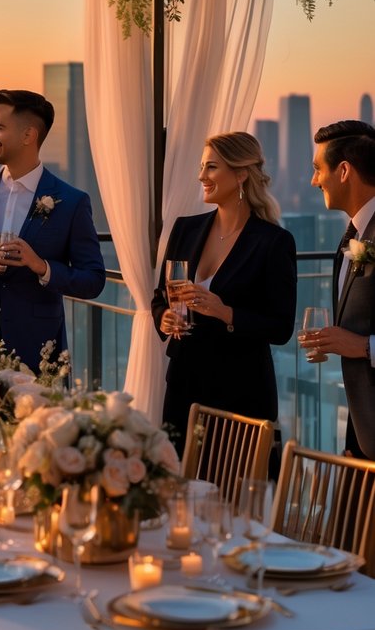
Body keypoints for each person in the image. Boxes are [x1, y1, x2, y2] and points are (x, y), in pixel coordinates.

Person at [0, 88, 106, 370]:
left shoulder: (72, 202)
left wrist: (41, 266)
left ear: (29, 136)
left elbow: (93, 280)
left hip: (38, 356)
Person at [152, 131, 297, 455]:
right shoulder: (185, 229)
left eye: (212, 167)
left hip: (240, 393)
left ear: (241, 173)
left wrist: (224, 312)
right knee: (179, 486)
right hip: (183, 387)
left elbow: (281, 327)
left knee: (231, 496)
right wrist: (165, 319)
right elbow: (159, 296)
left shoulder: (274, 242)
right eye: (203, 167)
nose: (201, 176)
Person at [307, 120, 375, 460]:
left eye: (318, 170)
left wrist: (363, 346)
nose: (314, 180)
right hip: (363, 426)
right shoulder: (351, 237)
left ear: (344, 170)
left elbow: (361, 344)